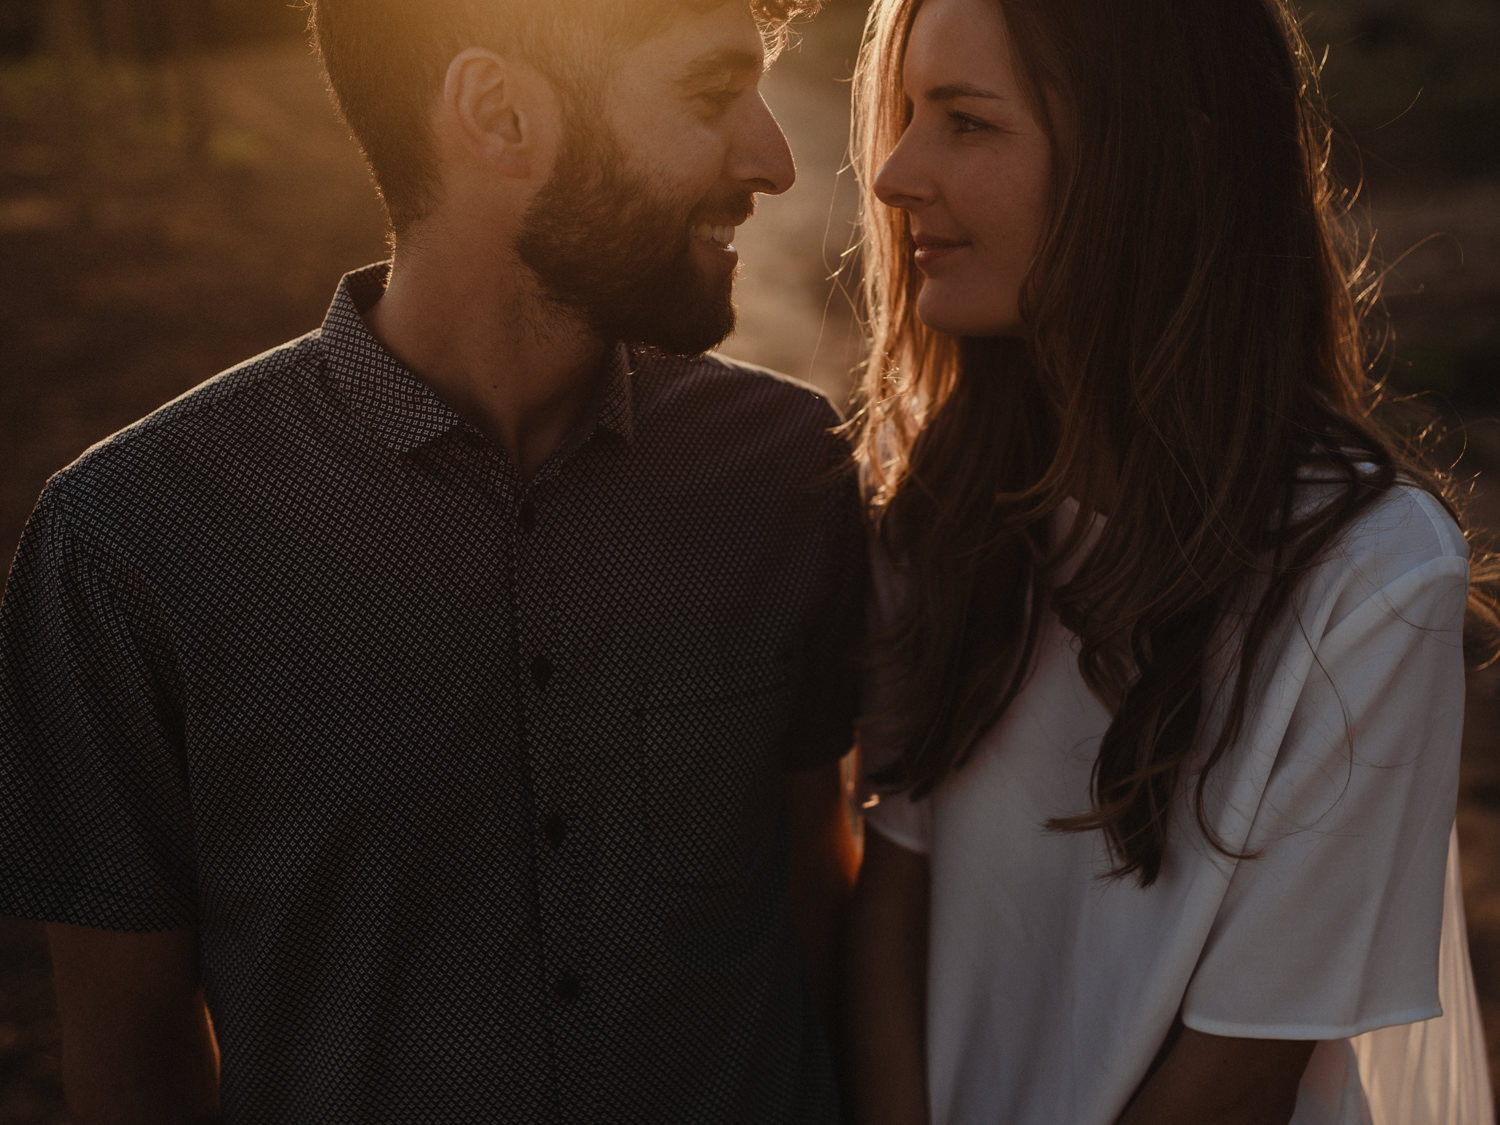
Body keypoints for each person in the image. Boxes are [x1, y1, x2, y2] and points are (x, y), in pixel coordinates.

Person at [0, 1, 866, 1121]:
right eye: (710, 96)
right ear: (499, 115)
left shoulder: (786, 472)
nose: (775, 159)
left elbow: (816, 891)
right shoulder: (128, 548)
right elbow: (131, 1069)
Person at [840, 0, 1498, 1122]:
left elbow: (1241, 1074)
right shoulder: (947, 495)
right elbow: (893, 904)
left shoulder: (1371, 580)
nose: (895, 173)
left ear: (1156, 163)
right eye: (903, 114)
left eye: (966, 123)